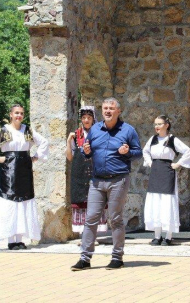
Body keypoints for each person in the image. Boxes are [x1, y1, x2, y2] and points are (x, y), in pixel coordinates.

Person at [71, 97, 142, 271]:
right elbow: (88, 151)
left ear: (118, 111)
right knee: (90, 219)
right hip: (97, 181)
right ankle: (85, 259)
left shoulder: (128, 130)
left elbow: (138, 153)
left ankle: (117, 257)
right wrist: (86, 153)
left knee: (115, 218)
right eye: (105, 108)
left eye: (111, 108)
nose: (108, 111)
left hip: (118, 180)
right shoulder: (95, 129)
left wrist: (127, 152)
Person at [0, 104, 48, 250]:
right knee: (9, 200)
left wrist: (36, 157)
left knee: (24, 201)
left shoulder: (28, 130)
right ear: (11, 114)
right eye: (16, 113)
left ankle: (20, 239)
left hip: (24, 169)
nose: (19, 116)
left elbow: (44, 142)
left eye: (21, 113)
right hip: (9, 170)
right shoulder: (3, 130)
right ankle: (11, 239)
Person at [143, 115, 190, 246]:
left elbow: (188, 152)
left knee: (167, 203)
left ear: (166, 125)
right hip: (155, 172)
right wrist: (149, 163)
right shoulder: (153, 139)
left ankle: (168, 236)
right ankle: (157, 236)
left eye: (159, 124)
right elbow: (145, 151)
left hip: (167, 172)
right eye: (155, 124)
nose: (157, 126)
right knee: (155, 202)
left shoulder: (172, 139)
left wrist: (177, 164)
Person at [65, 106, 108, 234]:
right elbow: (70, 157)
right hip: (79, 173)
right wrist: (68, 141)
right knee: (82, 202)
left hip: (96, 171)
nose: (86, 120)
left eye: (89, 117)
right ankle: (85, 235)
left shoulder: (100, 133)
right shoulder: (76, 135)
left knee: (96, 202)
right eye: (84, 118)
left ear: (93, 119)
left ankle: (93, 234)